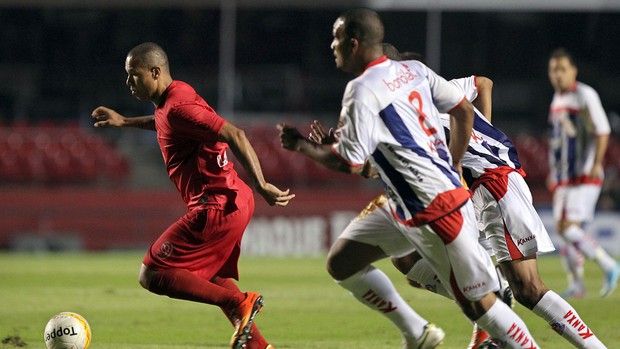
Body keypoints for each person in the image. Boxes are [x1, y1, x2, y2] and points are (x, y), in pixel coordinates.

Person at [279, 8, 540, 349]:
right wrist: (455, 163)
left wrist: (303, 146)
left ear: (354, 44)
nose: (332, 46)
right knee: (342, 262)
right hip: (403, 202)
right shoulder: (414, 71)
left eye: (337, 38)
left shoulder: (360, 91)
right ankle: (417, 332)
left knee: (480, 306)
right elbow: (462, 109)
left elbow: (350, 163)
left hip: (437, 208)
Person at [91, 42, 294, 349]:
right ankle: (259, 346)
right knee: (204, 277)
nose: (128, 82)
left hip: (216, 206)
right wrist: (125, 122)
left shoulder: (178, 108)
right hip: (234, 199)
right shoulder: (176, 97)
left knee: (153, 273)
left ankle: (241, 302)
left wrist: (263, 183)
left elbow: (234, 133)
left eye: (133, 74)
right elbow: (164, 123)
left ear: (155, 72)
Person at [390, 70, 608, 348]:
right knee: (408, 259)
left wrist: (466, 153)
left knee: (528, 288)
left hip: (493, 186)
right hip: (485, 189)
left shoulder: (405, 114)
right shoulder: (439, 92)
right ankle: (492, 312)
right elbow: (483, 83)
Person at [547, 48, 620, 299]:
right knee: (561, 229)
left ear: (573, 71)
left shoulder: (584, 95)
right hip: (565, 177)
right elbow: (557, 141)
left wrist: (596, 162)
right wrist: (553, 171)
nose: (557, 75)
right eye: (554, 70)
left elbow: (602, 129)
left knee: (568, 228)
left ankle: (609, 265)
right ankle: (577, 285)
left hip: (584, 173)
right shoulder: (557, 101)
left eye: (562, 69)